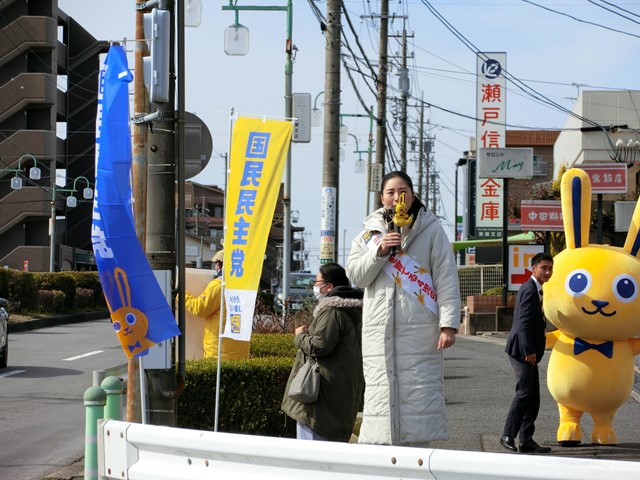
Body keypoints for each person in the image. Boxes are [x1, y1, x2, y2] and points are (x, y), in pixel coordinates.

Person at [345, 171, 461, 446]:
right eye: (391, 192)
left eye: (403, 190)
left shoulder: (431, 230)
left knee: (419, 397)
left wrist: (448, 325)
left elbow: (446, 276)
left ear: (413, 194)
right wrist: (379, 251)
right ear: (382, 197)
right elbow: (356, 277)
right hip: (378, 331)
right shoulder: (369, 234)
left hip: (421, 332)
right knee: (380, 394)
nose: (398, 197)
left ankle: (416, 465)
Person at [281, 263, 364, 442]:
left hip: (320, 396)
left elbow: (319, 346)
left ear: (329, 286)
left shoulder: (332, 311)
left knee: (311, 454)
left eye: (317, 281)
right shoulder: (351, 311)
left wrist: (300, 336)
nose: (315, 286)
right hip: (337, 390)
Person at [500, 252, 554, 454]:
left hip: (527, 351)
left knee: (533, 398)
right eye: (544, 268)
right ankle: (507, 435)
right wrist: (529, 350)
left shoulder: (536, 289)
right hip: (522, 351)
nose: (547, 272)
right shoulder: (529, 289)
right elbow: (523, 323)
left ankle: (526, 440)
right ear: (534, 268)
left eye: (550, 268)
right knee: (524, 394)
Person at [184, 250, 250, 360]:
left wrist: (181, 294)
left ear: (219, 264)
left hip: (219, 350)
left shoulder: (218, 286)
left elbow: (200, 308)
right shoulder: (244, 287)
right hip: (241, 350)